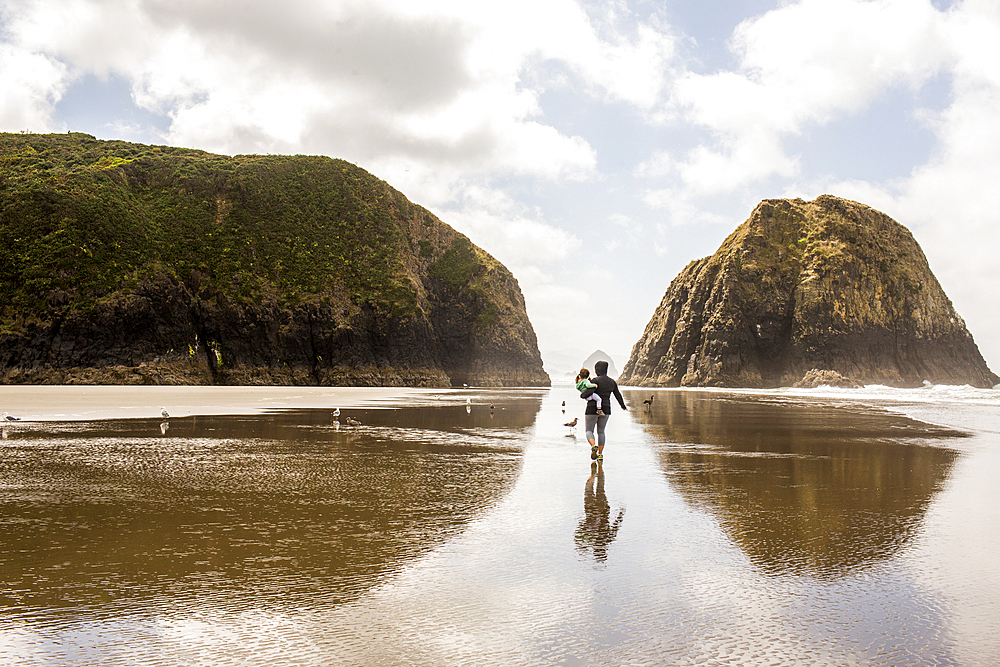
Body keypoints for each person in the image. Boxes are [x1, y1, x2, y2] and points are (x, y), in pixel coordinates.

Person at [580, 360, 627, 461]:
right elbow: (617, 395)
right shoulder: (612, 382)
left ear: (597, 370)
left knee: (589, 430)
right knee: (601, 431)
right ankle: (600, 454)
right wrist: (623, 406)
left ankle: (593, 446)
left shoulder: (594, 381)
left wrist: (582, 395)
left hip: (592, 409)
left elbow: (588, 392)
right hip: (606, 409)